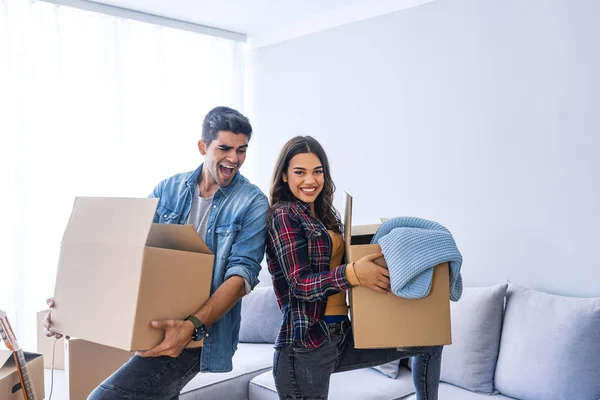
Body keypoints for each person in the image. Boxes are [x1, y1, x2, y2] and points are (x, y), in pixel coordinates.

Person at [44, 106, 270, 399]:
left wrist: (192, 326)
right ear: (203, 146)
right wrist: (74, 310)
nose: (234, 159)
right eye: (224, 148)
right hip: (155, 324)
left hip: (199, 336)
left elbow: (241, 276)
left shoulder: (252, 202)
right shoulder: (168, 189)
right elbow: (132, 255)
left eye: (241, 150)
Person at [265, 136, 443, 400]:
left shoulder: (325, 215)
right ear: (283, 176)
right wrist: (354, 274)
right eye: (299, 172)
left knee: (429, 340)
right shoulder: (284, 215)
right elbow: (299, 284)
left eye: (317, 171)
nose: (310, 180)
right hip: (305, 344)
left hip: (341, 334)